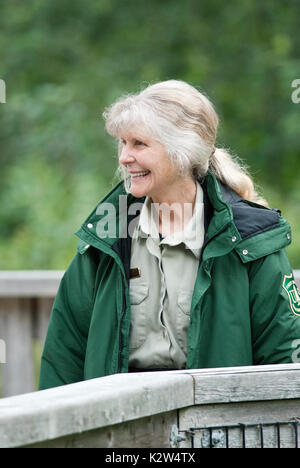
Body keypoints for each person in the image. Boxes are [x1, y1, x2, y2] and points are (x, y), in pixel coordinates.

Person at [39, 80, 300, 390]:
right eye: (123, 143)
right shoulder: (105, 239)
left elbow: (285, 355)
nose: (124, 157)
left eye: (139, 144)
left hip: (220, 427)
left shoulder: (250, 241)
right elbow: (63, 356)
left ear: (182, 152)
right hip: (116, 426)